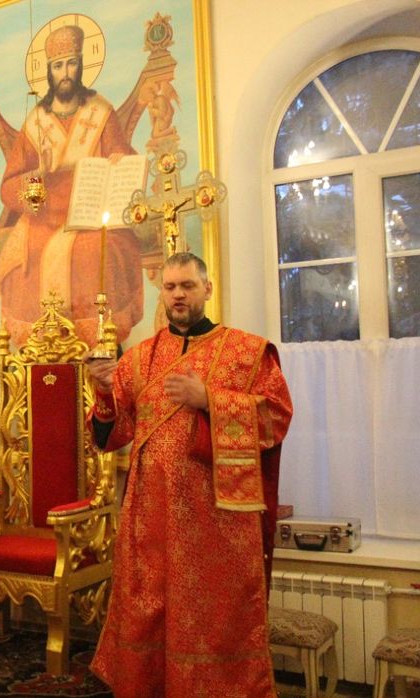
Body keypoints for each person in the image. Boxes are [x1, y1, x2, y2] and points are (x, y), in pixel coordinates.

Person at [86, 253, 293, 696]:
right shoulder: (139, 358)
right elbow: (110, 435)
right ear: (162, 293)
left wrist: (210, 400)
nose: (178, 295)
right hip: (151, 517)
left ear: (207, 289)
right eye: (170, 287)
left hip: (216, 523)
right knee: (149, 612)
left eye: (187, 286)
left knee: (214, 619)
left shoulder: (246, 351)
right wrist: (103, 391)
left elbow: (276, 418)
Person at [0, 23, 144, 347]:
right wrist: (32, 187)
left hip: (92, 214)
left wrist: (118, 161)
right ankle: (40, 346)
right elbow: (9, 185)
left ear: (81, 65)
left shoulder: (100, 112)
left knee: (97, 251)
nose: (65, 73)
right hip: (45, 215)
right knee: (22, 263)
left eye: (71, 64)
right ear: (49, 72)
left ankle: (99, 343)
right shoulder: (35, 123)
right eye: (58, 66)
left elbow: (124, 156)